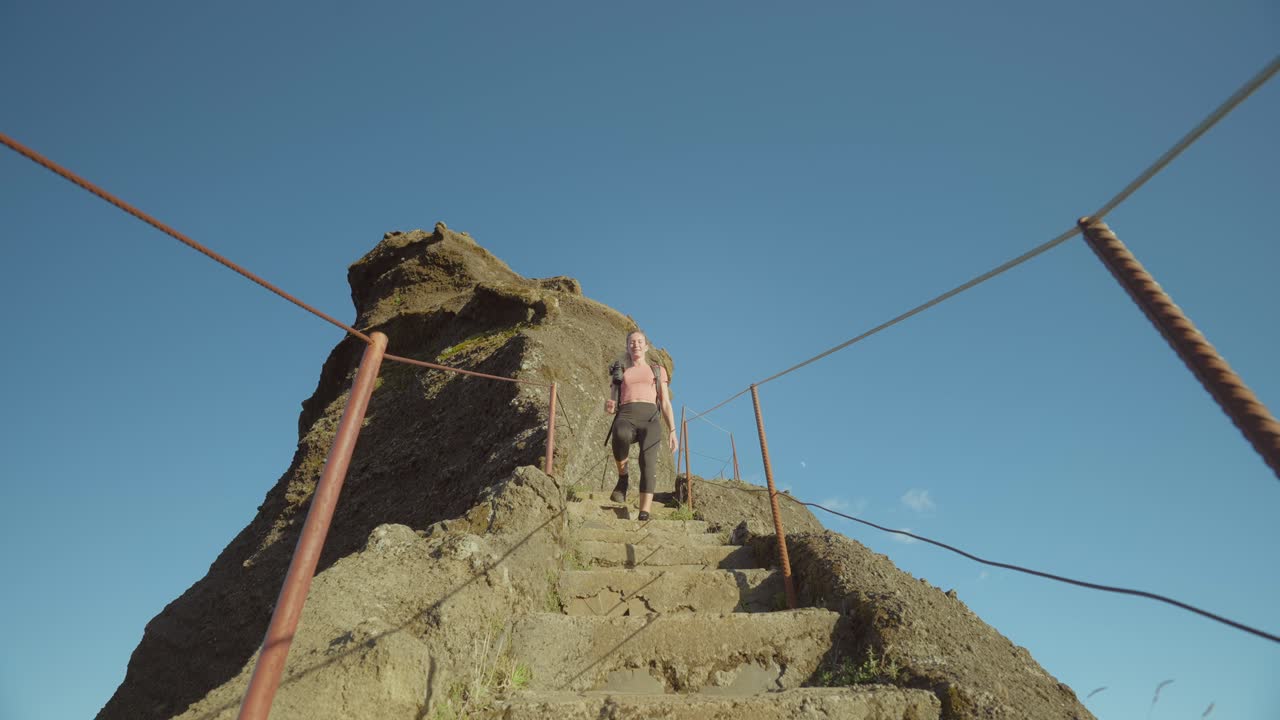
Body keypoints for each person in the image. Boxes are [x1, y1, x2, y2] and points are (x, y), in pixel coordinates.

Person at [604, 330, 678, 521]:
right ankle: (623, 478)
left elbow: (665, 402)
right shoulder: (620, 370)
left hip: (650, 418)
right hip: (626, 413)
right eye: (631, 342)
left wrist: (672, 430)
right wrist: (609, 405)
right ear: (627, 346)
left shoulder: (657, 370)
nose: (635, 344)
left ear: (646, 346)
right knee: (619, 434)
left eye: (639, 341)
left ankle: (644, 512)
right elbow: (612, 401)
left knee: (648, 462)